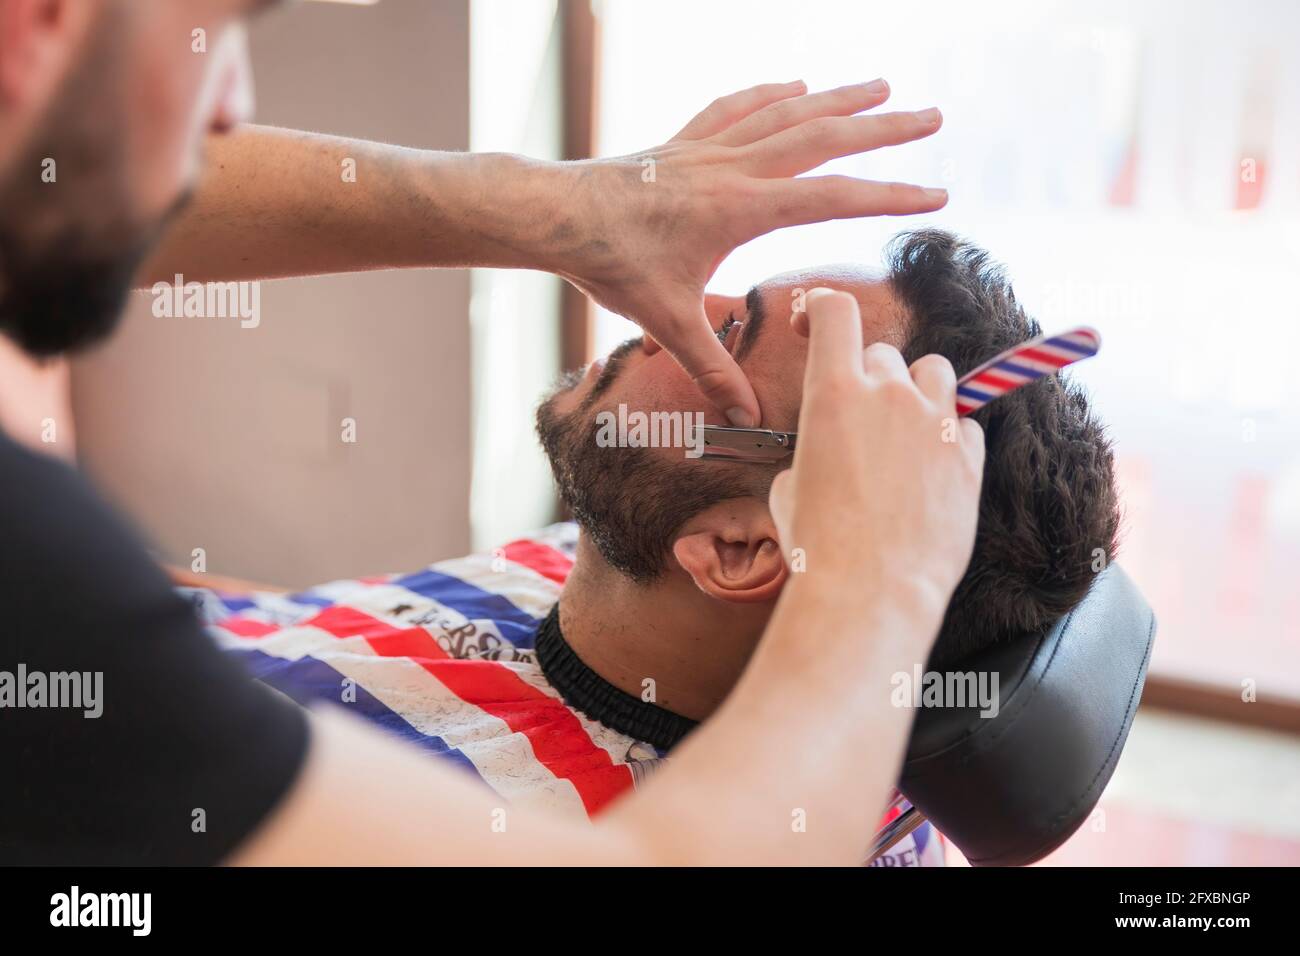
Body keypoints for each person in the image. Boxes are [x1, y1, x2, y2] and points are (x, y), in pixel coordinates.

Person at [0, 0, 982, 865]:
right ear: (33, 23)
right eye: (211, 29)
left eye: (733, 329)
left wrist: (563, 207)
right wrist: (877, 579)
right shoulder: (46, 582)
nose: (229, 114)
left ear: (739, 543)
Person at [191, 230, 1116, 867]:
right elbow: (291, 633)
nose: (670, 305)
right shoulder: (623, 556)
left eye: (729, 333)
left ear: (744, 549)